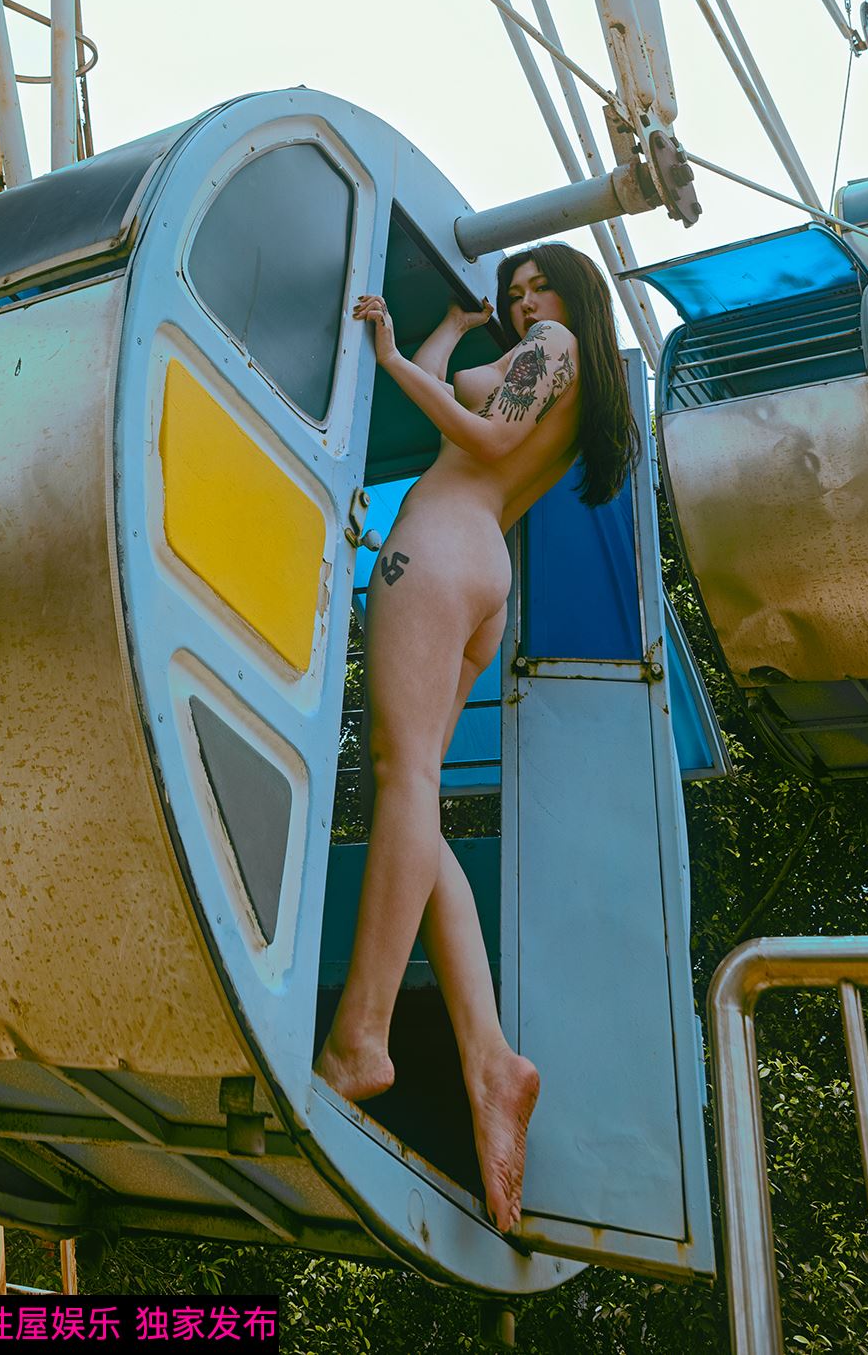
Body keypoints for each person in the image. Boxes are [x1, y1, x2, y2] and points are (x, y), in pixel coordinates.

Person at [314, 240, 638, 1236]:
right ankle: (490, 1060)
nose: (525, 301)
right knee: (421, 807)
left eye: (542, 286)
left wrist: (390, 361)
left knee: (403, 777)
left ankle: (361, 1037)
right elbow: (469, 405)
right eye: (515, 291)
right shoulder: (560, 369)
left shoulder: (555, 349)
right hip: (480, 563)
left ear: (575, 295)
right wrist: (447, 331)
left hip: (440, 545)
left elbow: (487, 439)